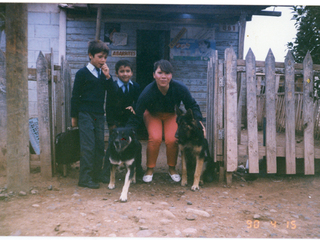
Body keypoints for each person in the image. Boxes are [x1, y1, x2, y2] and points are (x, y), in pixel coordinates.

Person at [126, 59, 204, 183]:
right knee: (155, 138)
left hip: (171, 115)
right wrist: (128, 130)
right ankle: (150, 169)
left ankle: (172, 168)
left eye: (167, 73)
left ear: (171, 75)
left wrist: (200, 123)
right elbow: (138, 112)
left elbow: (192, 105)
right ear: (154, 75)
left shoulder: (179, 88)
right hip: (152, 114)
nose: (163, 76)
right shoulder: (148, 91)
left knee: (172, 139)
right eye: (160, 73)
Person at [71, 40, 114, 189]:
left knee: (99, 144)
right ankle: (85, 177)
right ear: (90, 55)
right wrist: (74, 118)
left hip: (98, 114)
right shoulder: (82, 73)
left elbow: (112, 91)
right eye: (100, 56)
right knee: (88, 146)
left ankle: (95, 175)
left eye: (105, 57)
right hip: (85, 114)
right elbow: (75, 97)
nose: (103, 60)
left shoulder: (102, 74)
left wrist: (108, 76)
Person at [102, 60, 143, 180]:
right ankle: (107, 174)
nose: (125, 74)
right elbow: (108, 106)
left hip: (129, 124)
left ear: (131, 73)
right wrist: (111, 124)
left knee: (135, 145)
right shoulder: (113, 86)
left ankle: (137, 171)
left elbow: (139, 103)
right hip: (117, 123)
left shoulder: (135, 86)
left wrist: (134, 107)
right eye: (122, 71)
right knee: (112, 146)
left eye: (127, 71)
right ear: (116, 73)